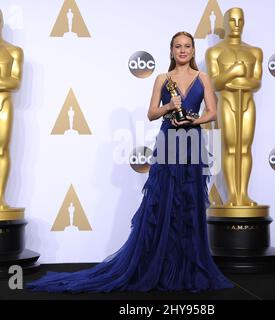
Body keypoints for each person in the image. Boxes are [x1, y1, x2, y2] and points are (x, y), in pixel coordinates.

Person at [26, 31, 234, 293]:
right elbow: (151, 113)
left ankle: (187, 266)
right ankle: (158, 264)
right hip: (169, 142)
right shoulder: (162, 78)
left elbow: (212, 113)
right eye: (178, 47)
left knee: (189, 201)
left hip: (191, 143)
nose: (183, 51)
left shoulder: (203, 78)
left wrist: (194, 120)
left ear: (193, 51)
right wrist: (170, 106)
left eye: (187, 46)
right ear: (171, 51)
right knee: (163, 201)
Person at [206, 7, 263, 207]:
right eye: (232, 21)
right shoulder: (215, 52)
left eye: (240, 21)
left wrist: (232, 82)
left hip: (247, 102)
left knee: (245, 148)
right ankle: (233, 196)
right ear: (225, 23)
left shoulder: (254, 52)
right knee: (231, 148)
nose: (237, 25)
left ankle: (244, 195)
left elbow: (256, 83)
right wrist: (235, 72)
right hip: (227, 103)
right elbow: (215, 83)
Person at [0, 9, 24, 209]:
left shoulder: (14, 51)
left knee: (1, 150)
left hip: (3, 104)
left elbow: (15, 83)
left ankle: (0, 199)